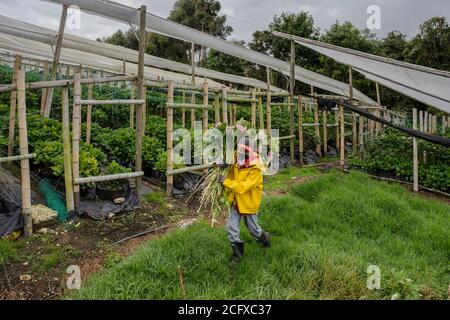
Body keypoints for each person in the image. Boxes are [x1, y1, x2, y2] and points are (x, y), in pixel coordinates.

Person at [218, 137, 271, 261]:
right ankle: (237, 256)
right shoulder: (237, 156)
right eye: (239, 150)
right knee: (231, 227)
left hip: (248, 202)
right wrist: (223, 163)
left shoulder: (256, 168)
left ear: (250, 152)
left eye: (244, 151)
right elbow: (229, 161)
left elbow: (243, 187)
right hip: (236, 200)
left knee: (253, 229)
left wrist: (226, 182)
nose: (240, 153)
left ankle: (265, 238)